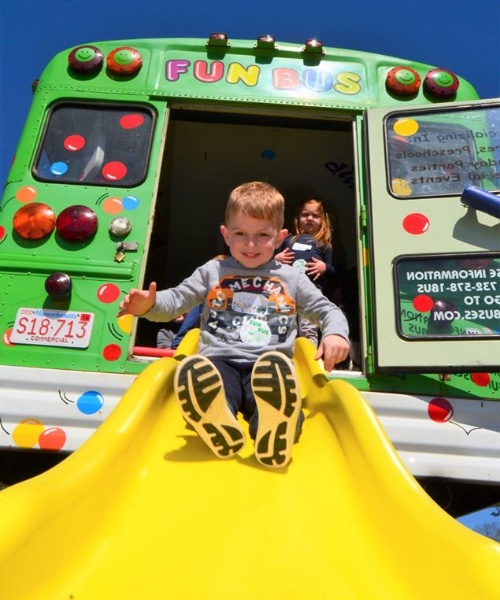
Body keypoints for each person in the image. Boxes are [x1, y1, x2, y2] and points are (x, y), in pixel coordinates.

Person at [118, 182, 350, 468]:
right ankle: (218, 420)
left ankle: (272, 430)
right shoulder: (212, 270)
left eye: (262, 235)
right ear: (226, 235)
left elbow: (325, 309)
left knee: (277, 398)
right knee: (213, 386)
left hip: (268, 365)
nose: (250, 244)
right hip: (219, 359)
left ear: (280, 238)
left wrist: (336, 334)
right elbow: (177, 299)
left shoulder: (292, 278)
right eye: (241, 234)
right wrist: (149, 305)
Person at [275, 197, 337, 346]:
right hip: (286, 290)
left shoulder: (324, 244)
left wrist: (324, 267)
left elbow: (332, 269)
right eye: (305, 215)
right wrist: (277, 258)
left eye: (315, 216)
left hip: (310, 292)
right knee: (283, 324)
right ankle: (284, 356)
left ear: (323, 220)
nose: (310, 218)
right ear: (298, 218)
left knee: (308, 327)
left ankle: (309, 358)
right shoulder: (289, 240)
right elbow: (268, 261)